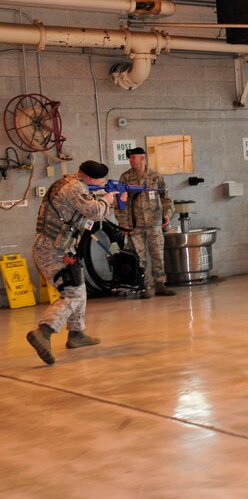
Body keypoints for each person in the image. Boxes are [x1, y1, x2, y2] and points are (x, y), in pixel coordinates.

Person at [26, 161, 126, 365]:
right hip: (50, 250)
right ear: (89, 179)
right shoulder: (74, 188)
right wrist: (107, 199)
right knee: (74, 292)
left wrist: (108, 202)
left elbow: (81, 221)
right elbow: (96, 212)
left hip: (59, 248)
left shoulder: (69, 184)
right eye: (100, 181)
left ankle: (76, 334)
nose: (102, 184)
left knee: (78, 285)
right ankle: (44, 331)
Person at [116, 146, 175, 298]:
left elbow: (166, 197)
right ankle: (143, 286)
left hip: (154, 222)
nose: (130, 160)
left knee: (157, 254)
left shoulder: (155, 176)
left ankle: (160, 284)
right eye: (129, 158)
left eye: (133, 157)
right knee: (139, 256)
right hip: (135, 224)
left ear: (142, 158)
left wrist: (167, 214)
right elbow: (119, 202)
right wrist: (123, 222)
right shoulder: (125, 177)